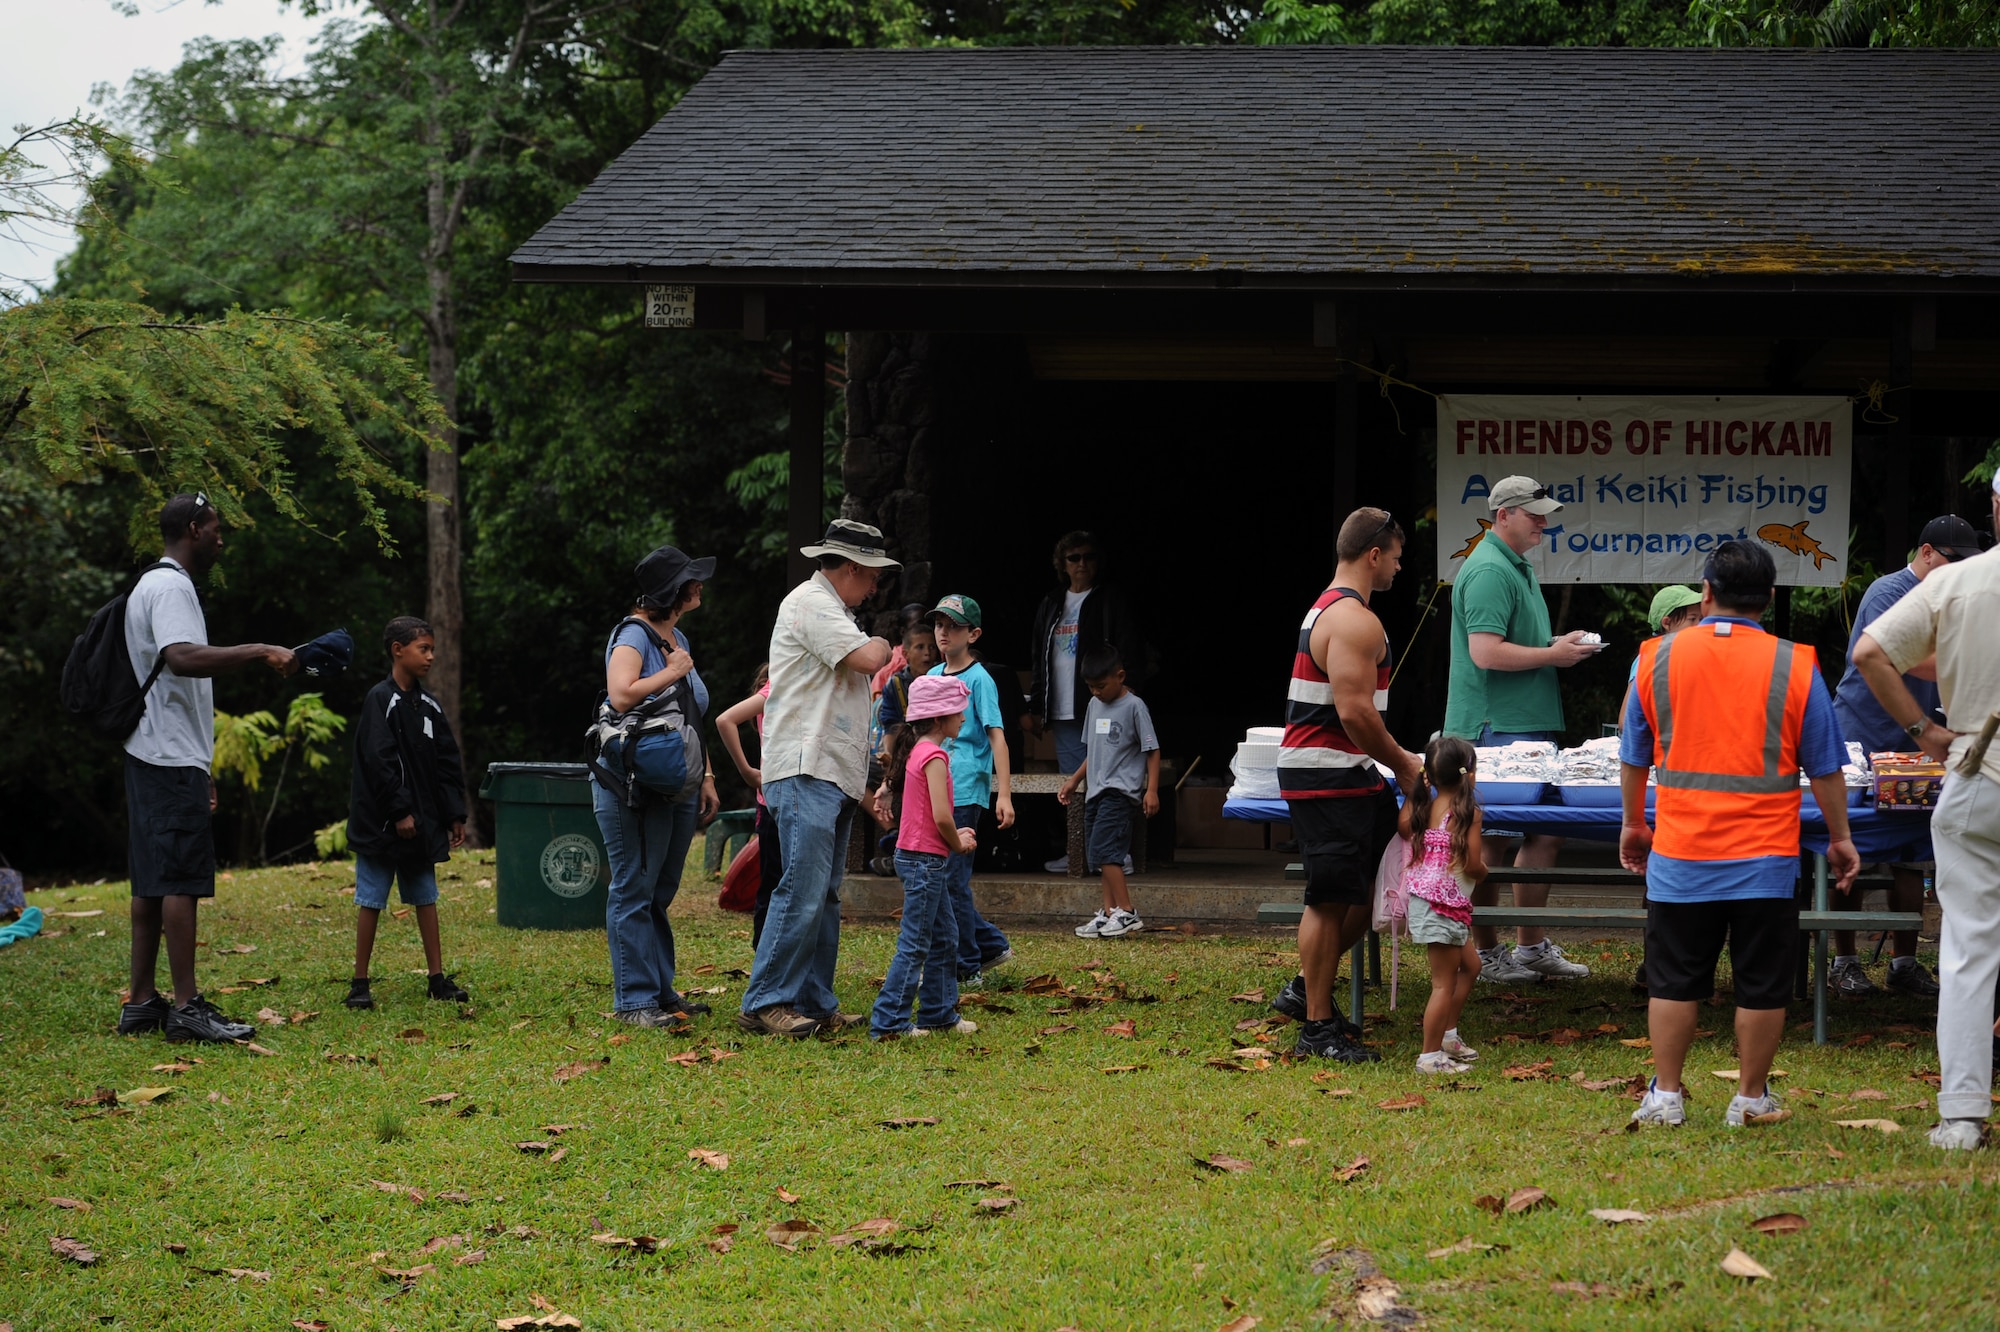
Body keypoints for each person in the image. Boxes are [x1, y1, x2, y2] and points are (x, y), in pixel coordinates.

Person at [1620, 540, 1860, 1129]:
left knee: (1675, 978)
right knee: (1762, 982)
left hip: (1680, 854)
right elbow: (1825, 765)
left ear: (1705, 594)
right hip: (1766, 859)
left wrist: (1633, 824)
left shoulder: (1654, 658)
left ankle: (1667, 1096)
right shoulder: (1795, 663)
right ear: (1770, 597)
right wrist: (1840, 838)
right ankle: (1750, 1098)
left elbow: (1633, 754)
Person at [116, 492, 299, 1043]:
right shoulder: (171, 586)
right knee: (178, 878)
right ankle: (188, 1007)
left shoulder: (153, 583)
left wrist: (204, 764)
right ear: (193, 529)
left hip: (157, 751)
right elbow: (181, 657)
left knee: (151, 881)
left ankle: (142, 1002)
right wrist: (260, 649)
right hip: (167, 754)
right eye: (215, 527)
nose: (222, 536)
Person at [1852, 476, 2000, 1152]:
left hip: (1977, 766)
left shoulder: (1961, 580)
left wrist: (1924, 732)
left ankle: (1963, 1114)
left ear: (1996, 509)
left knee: (1970, 945)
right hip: (1976, 760)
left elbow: (1871, 652)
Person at [1269, 507, 1425, 1063]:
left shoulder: (1325, 608)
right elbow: (1356, 713)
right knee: (1331, 896)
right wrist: (1406, 765)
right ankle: (1316, 1026)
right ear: (1374, 555)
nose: (1400, 569)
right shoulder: (1357, 620)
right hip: (1328, 773)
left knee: (1374, 874)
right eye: (1398, 558)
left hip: (1345, 773)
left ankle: (1305, 988)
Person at [739, 520, 896, 1037]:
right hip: (807, 766)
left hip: (829, 769)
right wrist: (880, 639)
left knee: (823, 894)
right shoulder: (811, 603)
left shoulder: (832, 608)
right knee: (803, 889)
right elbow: (871, 658)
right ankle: (765, 1001)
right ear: (852, 567)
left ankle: (812, 1000)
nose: (875, 587)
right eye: (872, 575)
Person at [1445, 474, 1598, 985]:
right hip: (1495, 727)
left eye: (1544, 512)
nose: (1543, 521)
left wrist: (1559, 643)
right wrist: (1553, 654)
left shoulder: (1516, 565)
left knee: (1545, 833)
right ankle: (1486, 953)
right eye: (1533, 512)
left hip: (1527, 727)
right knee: (1489, 843)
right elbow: (1484, 652)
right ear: (1502, 515)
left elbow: (1512, 640)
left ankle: (1530, 948)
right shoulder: (1489, 569)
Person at [1826, 515, 1980, 998]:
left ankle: (1905, 963)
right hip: (1865, 736)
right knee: (1853, 851)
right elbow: (1898, 656)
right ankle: (1844, 960)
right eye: (1952, 561)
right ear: (1928, 552)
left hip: (1919, 741)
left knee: (1914, 853)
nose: (1958, 571)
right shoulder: (1888, 592)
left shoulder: (1951, 594)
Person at [589, 545, 722, 1031]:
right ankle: (634, 1001)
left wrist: (705, 775)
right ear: (673, 591)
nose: (699, 585)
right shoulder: (633, 634)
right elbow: (621, 693)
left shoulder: (675, 634)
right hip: (630, 785)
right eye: (692, 580)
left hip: (676, 782)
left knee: (659, 890)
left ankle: (662, 992)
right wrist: (670, 670)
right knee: (633, 888)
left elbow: (686, 713)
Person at [344, 617, 469, 1010]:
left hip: (424, 826)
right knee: (371, 899)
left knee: (425, 897)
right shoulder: (379, 700)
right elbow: (378, 761)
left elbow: (448, 763)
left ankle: (436, 978)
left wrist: (453, 815)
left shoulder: (429, 706)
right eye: (424, 649)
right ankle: (359, 983)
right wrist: (399, 811)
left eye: (432, 649)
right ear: (398, 651)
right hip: (382, 826)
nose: (431, 656)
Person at [1026, 531, 1146, 872]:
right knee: (1073, 783)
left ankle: (1114, 853)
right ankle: (1080, 851)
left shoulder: (1109, 599)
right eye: (1073, 558)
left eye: (1089, 557)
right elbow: (1039, 657)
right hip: (1062, 707)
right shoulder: (1051, 603)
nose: (1082, 564)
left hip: (1104, 702)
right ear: (1062, 564)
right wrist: (1037, 706)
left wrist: (1130, 687)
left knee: (1110, 778)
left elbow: (1128, 645)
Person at [870, 674, 980, 1039]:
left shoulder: (918, 750)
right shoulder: (934, 756)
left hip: (921, 857)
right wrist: (958, 842)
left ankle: (938, 1014)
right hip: (924, 861)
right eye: (958, 713)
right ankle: (890, 1023)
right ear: (939, 719)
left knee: (945, 937)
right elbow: (942, 816)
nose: (963, 719)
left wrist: (951, 837)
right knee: (916, 944)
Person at [921, 594, 1015, 982]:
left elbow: (997, 736)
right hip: (932, 789)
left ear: (973, 634)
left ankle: (966, 965)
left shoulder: (980, 679)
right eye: (939, 624)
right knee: (938, 879)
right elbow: (919, 738)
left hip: (965, 788)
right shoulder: (928, 679)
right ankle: (990, 945)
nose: (944, 632)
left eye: (954, 626)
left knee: (952, 879)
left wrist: (1004, 794)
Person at [1057, 645, 1160, 939]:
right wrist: (1075, 780)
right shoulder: (1094, 705)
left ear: (1120, 676)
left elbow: (1151, 749)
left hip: (1121, 793)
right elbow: (1095, 752)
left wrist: (1150, 790)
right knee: (1100, 855)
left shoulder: (1134, 707)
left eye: (1101, 686)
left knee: (1108, 852)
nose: (1096, 693)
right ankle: (1110, 913)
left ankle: (1127, 911)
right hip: (1095, 791)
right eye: (1090, 687)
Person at [1399, 736, 1487, 1075]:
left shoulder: (1422, 808)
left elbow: (1402, 827)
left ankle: (1448, 1036)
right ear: (1470, 774)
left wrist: (1416, 790)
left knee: (1472, 966)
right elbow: (1473, 864)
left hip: (1431, 904)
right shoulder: (1469, 815)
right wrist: (1485, 873)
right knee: (1442, 984)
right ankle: (1429, 1057)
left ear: (1429, 776)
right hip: (1443, 907)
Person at [713, 664, 781, 945]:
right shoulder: (776, 687)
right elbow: (725, 720)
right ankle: (765, 954)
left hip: (783, 800)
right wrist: (747, 771)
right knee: (774, 882)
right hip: (774, 803)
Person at [869, 613, 942, 875]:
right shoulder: (896, 684)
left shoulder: (941, 678)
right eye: (920, 647)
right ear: (907, 654)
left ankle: (908, 854)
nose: (928, 653)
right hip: (903, 750)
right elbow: (889, 724)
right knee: (862, 774)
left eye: (931, 647)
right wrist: (889, 758)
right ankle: (893, 834)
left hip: (935, 753)